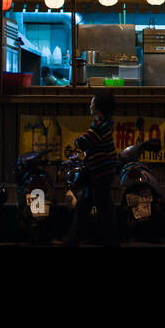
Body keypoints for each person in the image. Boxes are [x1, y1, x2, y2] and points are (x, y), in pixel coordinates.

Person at [60, 91, 119, 247]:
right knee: (90, 205)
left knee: (102, 208)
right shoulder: (105, 123)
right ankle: (80, 238)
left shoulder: (98, 128)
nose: (90, 105)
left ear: (98, 108)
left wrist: (77, 140)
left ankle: (109, 241)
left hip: (100, 172)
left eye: (92, 102)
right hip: (102, 171)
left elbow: (82, 142)